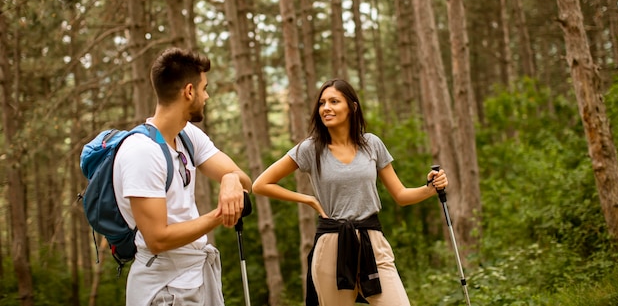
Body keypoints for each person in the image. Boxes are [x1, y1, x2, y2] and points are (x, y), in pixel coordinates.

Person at [252, 78, 448, 306]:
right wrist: (309, 200)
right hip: (332, 246)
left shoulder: (372, 144)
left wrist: (430, 189)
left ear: (352, 107)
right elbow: (261, 184)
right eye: (322, 103)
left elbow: (401, 195)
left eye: (334, 101)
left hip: (372, 243)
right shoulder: (310, 148)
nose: (326, 108)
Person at [113, 47, 252, 306]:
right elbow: (157, 239)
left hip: (195, 276)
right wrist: (221, 214)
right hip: (163, 289)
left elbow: (244, 181)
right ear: (189, 91)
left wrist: (231, 179)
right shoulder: (142, 152)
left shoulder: (187, 135)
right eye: (204, 88)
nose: (207, 96)